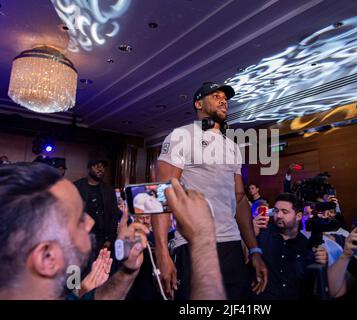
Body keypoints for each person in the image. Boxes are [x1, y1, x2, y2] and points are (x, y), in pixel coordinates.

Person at [153, 82, 267, 299]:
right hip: (193, 243)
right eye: (216, 96)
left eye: (225, 98)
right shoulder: (181, 136)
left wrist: (254, 249)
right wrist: (162, 253)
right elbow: (162, 194)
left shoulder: (232, 147)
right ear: (199, 103)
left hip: (231, 244)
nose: (224, 100)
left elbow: (240, 200)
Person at [0, 162, 147, 300]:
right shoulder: (80, 186)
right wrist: (77, 291)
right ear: (47, 257)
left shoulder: (106, 191)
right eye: (79, 221)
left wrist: (127, 271)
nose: (91, 223)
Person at [252, 193, 327, 300]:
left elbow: (310, 281)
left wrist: (322, 260)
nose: (278, 216)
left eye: (284, 212)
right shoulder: (262, 234)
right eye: (276, 211)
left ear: (299, 216)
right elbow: (242, 261)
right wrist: (250, 235)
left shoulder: (306, 245)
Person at [74, 159, 121, 255]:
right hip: (81, 239)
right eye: (96, 166)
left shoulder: (109, 190)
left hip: (102, 241)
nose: (100, 169)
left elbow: (114, 216)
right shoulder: (76, 187)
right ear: (88, 169)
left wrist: (110, 239)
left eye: (103, 166)